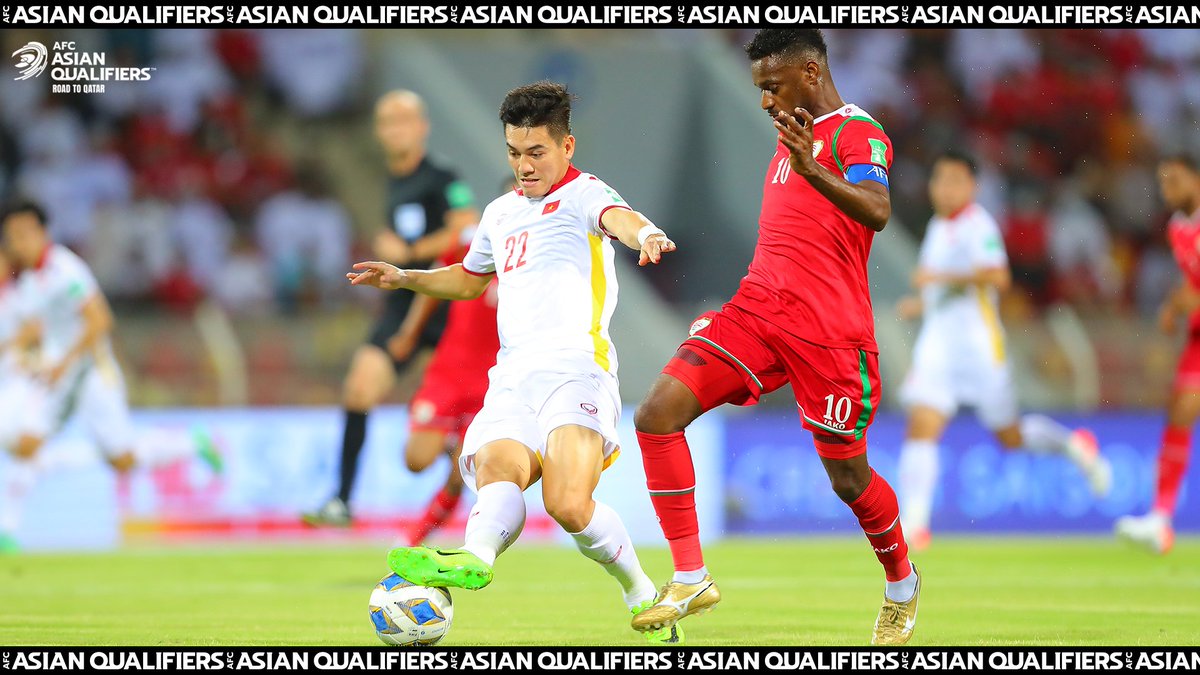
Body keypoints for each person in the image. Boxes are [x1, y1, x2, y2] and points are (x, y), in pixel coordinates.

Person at [347, 81, 681, 644]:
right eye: (514, 152)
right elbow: (467, 279)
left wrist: (645, 233)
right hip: (512, 377)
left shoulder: (584, 194)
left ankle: (642, 594)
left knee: (567, 505)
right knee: (497, 466)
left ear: (566, 147)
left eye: (536, 152)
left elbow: (620, 218)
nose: (524, 166)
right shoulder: (499, 213)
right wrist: (405, 277)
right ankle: (476, 557)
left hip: (577, 371)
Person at [629, 29, 917, 645]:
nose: (764, 101)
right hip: (757, 313)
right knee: (656, 415)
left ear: (810, 73)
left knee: (848, 480)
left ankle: (901, 582)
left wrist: (813, 168)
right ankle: (691, 576)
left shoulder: (857, 132)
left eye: (772, 86)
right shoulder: (792, 136)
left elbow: (877, 209)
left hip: (830, 334)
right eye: (760, 88)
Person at [895, 151, 1112, 551]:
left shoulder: (978, 225)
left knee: (1009, 436)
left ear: (972, 187)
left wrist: (940, 276)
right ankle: (915, 524)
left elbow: (998, 276)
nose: (945, 189)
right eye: (939, 180)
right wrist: (920, 304)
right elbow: (943, 290)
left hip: (979, 348)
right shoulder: (938, 226)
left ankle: (1072, 445)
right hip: (939, 345)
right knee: (922, 423)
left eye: (955, 181)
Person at [0, 200, 222, 552]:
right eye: (12, 236)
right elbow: (37, 327)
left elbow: (100, 320)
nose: (18, 243)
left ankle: (190, 443)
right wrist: (23, 350)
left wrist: (63, 362)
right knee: (26, 443)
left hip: (90, 370)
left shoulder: (66, 269)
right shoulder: (26, 280)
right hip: (56, 374)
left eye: (24, 234)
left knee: (122, 458)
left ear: (43, 233)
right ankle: (6, 532)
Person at [304, 90, 478, 527]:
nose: (395, 129)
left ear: (422, 127)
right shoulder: (395, 182)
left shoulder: (442, 178)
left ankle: (468, 502)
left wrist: (409, 252)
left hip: (447, 307)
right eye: (387, 121)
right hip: (402, 305)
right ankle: (342, 500)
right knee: (359, 389)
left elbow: (468, 226)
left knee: (439, 434)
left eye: (404, 120)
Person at [1116, 155, 1200, 554]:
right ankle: (1160, 518)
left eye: (1175, 181)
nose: (1167, 190)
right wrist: (1173, 306)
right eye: (1163, 183)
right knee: (1180, 411)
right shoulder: (1178, 227)